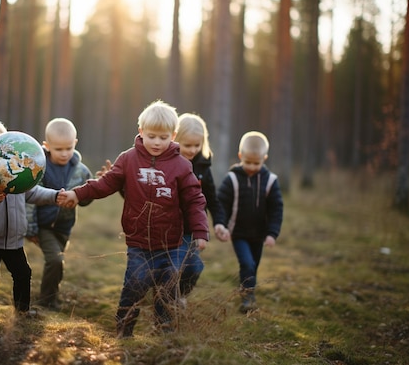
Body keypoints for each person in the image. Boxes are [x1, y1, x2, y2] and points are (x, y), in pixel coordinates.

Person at [59, 100, 209, 338]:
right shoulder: (128, 159)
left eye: (163, 137)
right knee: (135, 284)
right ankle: (124, 330)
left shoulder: (181, 165)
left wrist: (200, 232)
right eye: (151, 136)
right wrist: (77, 193)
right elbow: (105, 184)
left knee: (167, 288)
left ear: (173, 135)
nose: (157, 142)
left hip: (173, 243)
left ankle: (164, 330)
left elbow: (194, 199)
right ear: (140, 132)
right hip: (139, 242)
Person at [0, 114, 62, 321]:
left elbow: (32, 193)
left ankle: (22, 312)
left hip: (14, 240)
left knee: (23, 274)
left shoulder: (15, 172)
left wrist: (54, 196)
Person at [24, 118, 93, 312]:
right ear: (46, 146)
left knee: (56, 263)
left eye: (68, 148)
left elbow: (86, 200)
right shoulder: (39, 168)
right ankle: (47, 301)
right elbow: (29, 199)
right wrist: (30, 228)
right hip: (43, 226)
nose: (64, 153)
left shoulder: (81, 171)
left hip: (64, 226)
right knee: (55, 260)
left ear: (75, 143)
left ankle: (50, 294)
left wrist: (94, 187)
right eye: (58, 149)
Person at [216, 131, 283, 313]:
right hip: (238, 233)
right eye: (248, 163)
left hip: (259, 234)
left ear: (264, 159)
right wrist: (221, 224)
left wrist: (272, 233)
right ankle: (247, 299)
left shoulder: (270, 181)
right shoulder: (232, 179)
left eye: (257, 163)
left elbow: (276, 209)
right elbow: (221, 203)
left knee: (253, 266)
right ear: (240, 157)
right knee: (247, 263)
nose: (252, 167)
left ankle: (247, 291)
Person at [172, 113, 230, 304]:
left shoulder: (203, 167)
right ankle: (166, 301)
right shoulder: (166, 163)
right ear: (175, 139)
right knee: (171, 268)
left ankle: (180, 295)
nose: (192, 150)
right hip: (168, 227)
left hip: (191, 230)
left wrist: (220, 223)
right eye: (187, 145)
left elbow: (212, 199)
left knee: (194, 268)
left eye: (197, 145)